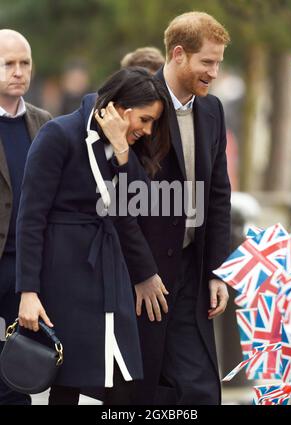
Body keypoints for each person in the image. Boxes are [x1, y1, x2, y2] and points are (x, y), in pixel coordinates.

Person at [15, 67, 171, 405]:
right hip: (65, 275)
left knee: (124, 375)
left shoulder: (128, 147)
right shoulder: (58, 134)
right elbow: (30, 218)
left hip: (111, 270)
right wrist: (28, 291)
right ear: (120, 108)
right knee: (68, 380)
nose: (147, 130)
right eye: (144, 120)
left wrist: (121, 152)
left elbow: (141, 204)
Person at [110, 11, 232, 405]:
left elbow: (218, 194)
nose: (214, 72)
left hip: (191, 273)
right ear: (178, 54)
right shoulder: (140, 105)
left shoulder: (212, 110)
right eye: (207, 62)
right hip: (142, 278)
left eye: (219, 63)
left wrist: (217, 270)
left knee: (197, 388)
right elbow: (117, 197)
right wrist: (142, 272)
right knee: (140, 392)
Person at [0, 29, 52, 405]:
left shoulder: (44, 122)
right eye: (8, 64)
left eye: (24, 63)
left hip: (27, 267)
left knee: (19, 366)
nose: (18, 72)